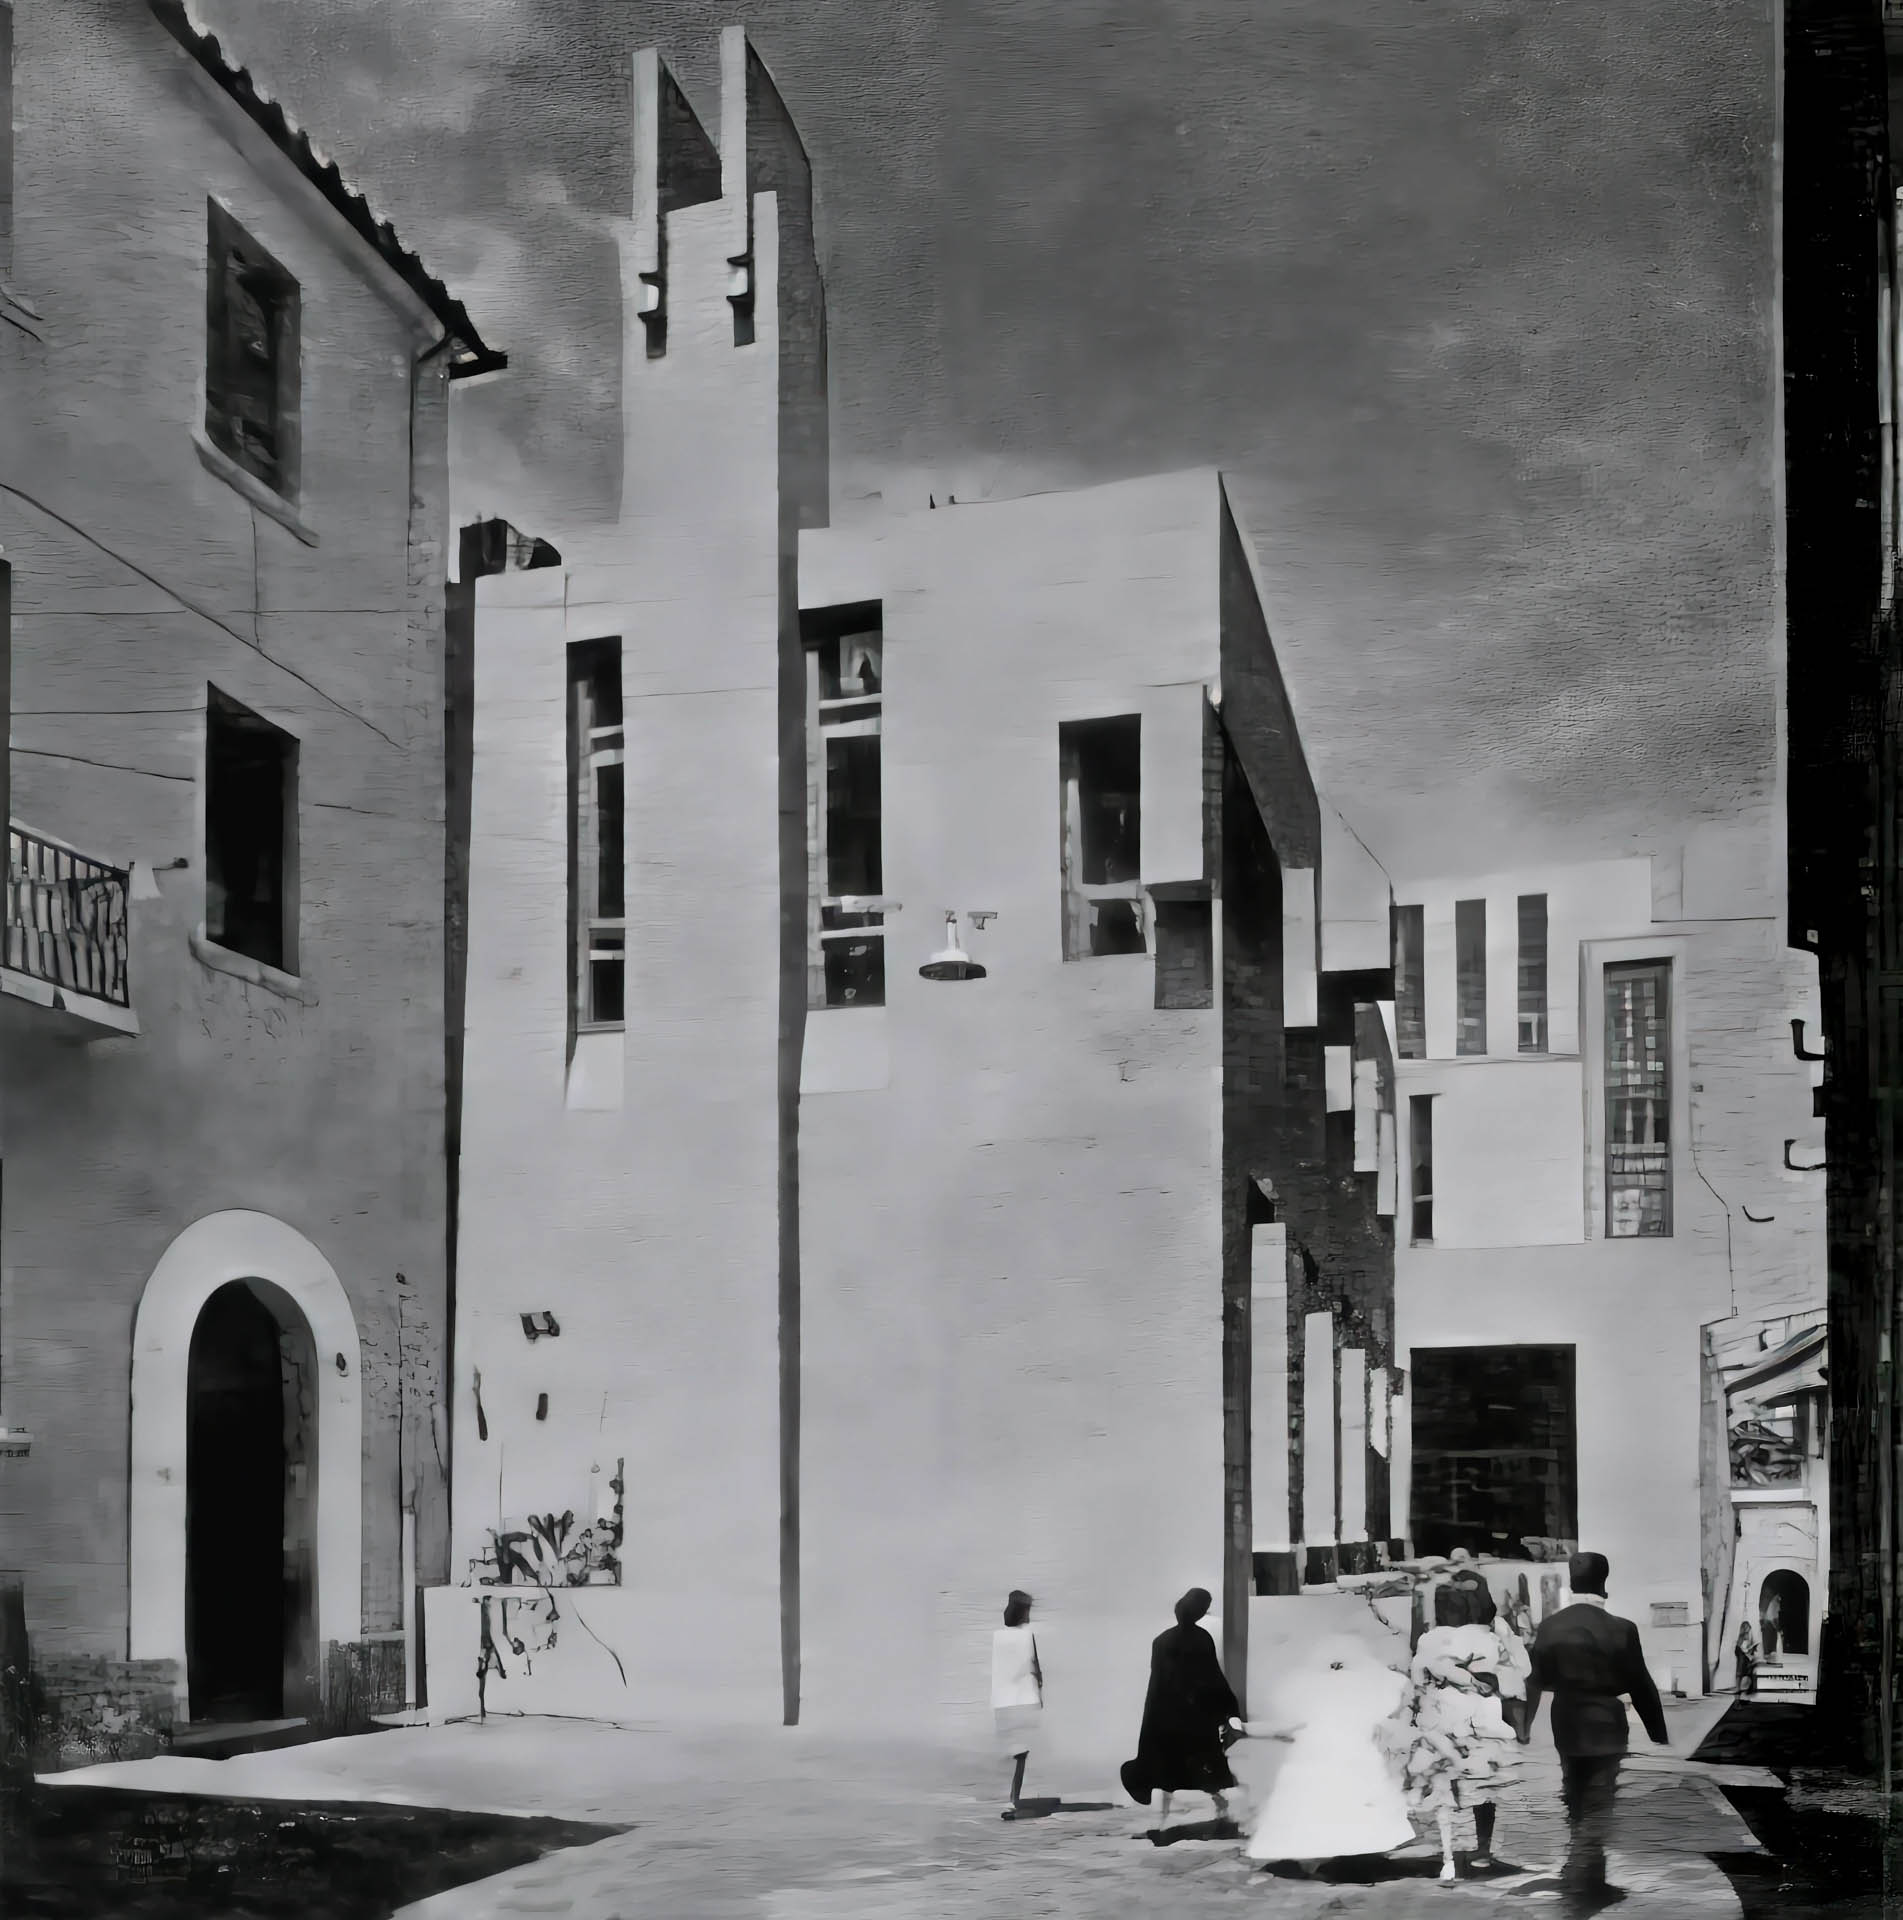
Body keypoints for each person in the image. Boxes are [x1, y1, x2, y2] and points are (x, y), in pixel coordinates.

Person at [1525, 1552, 1669, 1908]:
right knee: (1599, 1803)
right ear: (1604, 1582)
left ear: (1571, 1583)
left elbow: (1535, 1681)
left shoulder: (1550, 1627)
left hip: (1566, 1720)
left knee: (1575, 1797)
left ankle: (1592, 1879)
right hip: (1606, 1722)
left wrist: (1523, 1726)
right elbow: (1641, 1682)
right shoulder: (1621, 1628)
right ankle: (1582, 1880)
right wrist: (1657, 1731)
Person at [1243, 1633, 1414, 1875]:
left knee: (1322, 1801)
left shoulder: (1313, 1692)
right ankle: (1356, 1851)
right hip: (1343, 1756)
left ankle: (1346, 1851)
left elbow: (1291, 1726)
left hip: (1328, 1756)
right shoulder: (1367, 1691)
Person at [1401, 1582, 1523, 1881]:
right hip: (1479, 1719)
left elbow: (1418, 1679)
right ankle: (1482, 1850)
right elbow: (1510, 1680)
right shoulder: (1485, 1637)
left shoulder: (1430, 1640)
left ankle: (1447, 1856)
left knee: (1445, 1788)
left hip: (1441, 1718)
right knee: (1484, 1790)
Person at [1121, 1588, 1240, 1828]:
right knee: (1209, 1771)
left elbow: (1156, 1685)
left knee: (1163, 1775)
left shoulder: (1161, 1641)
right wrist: (1230, 1708)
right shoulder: (1202, 1639)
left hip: (1164, 1719)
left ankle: (1161, 1825)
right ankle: (1223, 1817)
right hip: (1195, 1719)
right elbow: (1212, 1678)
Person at [991, 1589, 1043, 1819]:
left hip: (1003, 1701)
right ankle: (1013, 1799)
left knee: (1015, 1752)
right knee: (1021, 1755)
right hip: (1022, 1700)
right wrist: (1040, 1692)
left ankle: (1011, 1798)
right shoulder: (1026, 1636)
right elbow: (1035, 1666)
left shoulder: (999, 1637)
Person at [1734, 1617, 1760, 1697]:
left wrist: (1751, 1649)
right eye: (1747, 1630)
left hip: (1746, 1658)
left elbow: (1747, 1647)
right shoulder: (1742, 1637)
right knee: (1741, 1673)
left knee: (1749, 1672)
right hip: (1744, 1658)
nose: (1748, 1632)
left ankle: (1747, 1688)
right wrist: (1749, 1651)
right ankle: (1741, 1689)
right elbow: (1741, 1649)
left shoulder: (1746, 1636)